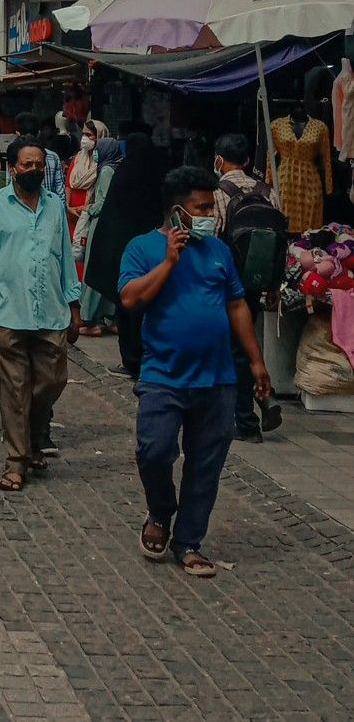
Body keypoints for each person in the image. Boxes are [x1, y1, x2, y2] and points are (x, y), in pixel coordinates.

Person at [120, 166, 271, 577]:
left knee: (206, 465)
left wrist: (256, 361)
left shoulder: (220, 251)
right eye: (202, 208)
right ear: (176, 212)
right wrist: (170, 260)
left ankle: (189, 541)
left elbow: (237, 305)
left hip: (217, 377)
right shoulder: (141, 248)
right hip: (163, 375)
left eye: (212, 206)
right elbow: (131, 298)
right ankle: (160, 510)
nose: (211, 215)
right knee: (153, 451)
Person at [0, 136, 81, 492]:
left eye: (38, 165)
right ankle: (16, 461)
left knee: (52, 381)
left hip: (51, 311)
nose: (33, 170)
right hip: (6, 311)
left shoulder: (54, 207)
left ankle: (32, 433)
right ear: (11, 168)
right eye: (26, 164)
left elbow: (64, 258)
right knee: (14, 388)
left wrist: (75, 306)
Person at [212, 133, 285, 443]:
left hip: (225, 282)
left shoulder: (218, 194)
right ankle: (251, 409)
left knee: (234, 351)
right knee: (245, 344)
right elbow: (280, 241)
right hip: (256, 282)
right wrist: (274, 286)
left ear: (219, 160)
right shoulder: (269, 192)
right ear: (245, 161)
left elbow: (213, 236)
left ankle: (245, 420)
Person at [82, 133, 166, 379]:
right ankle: (144, 358)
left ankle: (130, 360)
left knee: (126, 309)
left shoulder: (122, 172)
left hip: (120, 252)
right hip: (149, 253)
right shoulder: (154, 176)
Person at [76, 138, 122, 335]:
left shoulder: (105, 171)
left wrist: (87, 209)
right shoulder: (119, 167)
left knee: (92, 269)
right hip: (113, 224)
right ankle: (109, 317)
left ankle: (89, 318)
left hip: (99, 223)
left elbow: (102, 202)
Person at [65, 118, 109, 241]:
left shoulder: (103, 163)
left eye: (89, 135)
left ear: (99, 136)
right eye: (83, 134)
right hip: (72, 213)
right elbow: (68, 184)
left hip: (90, 213)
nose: (84, 138)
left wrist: (86, 209)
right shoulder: (78, 158)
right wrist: (68, 207)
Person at [15, 113, 66, 208]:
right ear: (39, 133)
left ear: (17, 134)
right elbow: (61, 192)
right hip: (49, 212)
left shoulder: (15, 158)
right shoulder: (53, 157)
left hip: (21, 212)